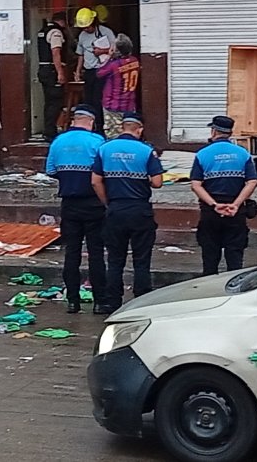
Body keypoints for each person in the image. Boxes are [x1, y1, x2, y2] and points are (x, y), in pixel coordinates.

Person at [91, 112, 164, 314]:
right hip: (140, 210)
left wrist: (108, 203)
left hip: (116, 210)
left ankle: (112, 302)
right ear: (139, 129)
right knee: (141, 259)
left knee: (115, 259)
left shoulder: (104, 149)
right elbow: (158, 182)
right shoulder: (146, 151)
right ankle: (141, 301)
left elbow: (95, 181)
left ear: (122, 127)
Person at [46, 104, 107, 314]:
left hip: (69, 205)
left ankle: (73, 300)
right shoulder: (97, 142)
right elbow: (103, 173)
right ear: (90, 122)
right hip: (94, 204)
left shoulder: (58, 141)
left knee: (71, 253)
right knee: (96, 253)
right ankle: (100, 301)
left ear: (74, 120)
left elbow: (51, 171)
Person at [190, 116, 257, 275]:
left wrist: (214, 205)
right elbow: (252, 181)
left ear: (214, 131)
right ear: (230, 132)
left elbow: (196, 184)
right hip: (236, 211)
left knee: (209, 257)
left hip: (211, 211)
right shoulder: (243, 154)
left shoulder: (202, 154)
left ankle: (209, 292)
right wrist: (236, 204)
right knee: (235, 258)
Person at [73, 8, 116, 135]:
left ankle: (101, 128)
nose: (86, 29)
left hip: (103, 71)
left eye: (88, 26)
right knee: (88, 100)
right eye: (84, 27)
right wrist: (77, 71)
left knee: (99, 100)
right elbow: (80, 54)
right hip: (89, 72)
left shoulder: (106, 32)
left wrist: (101, 51)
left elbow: (115, 50)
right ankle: (89, 127)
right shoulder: (82, 36)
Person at [97, 34, 141, 139]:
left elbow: (99, 73)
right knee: (130, 133)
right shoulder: (135, 61)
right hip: (129, 104)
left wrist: (109, 56)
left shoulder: (114, 65)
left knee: (113, 135)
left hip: (113, 104)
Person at [35, 12, 69, 142]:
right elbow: (56, 52)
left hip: (44, 70)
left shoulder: (42, 31)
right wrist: (60, 72)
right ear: (62, 21)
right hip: (52, 71)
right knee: (56, 102)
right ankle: (50, 132)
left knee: (49, 102)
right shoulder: (56, 32)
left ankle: (48, 131)